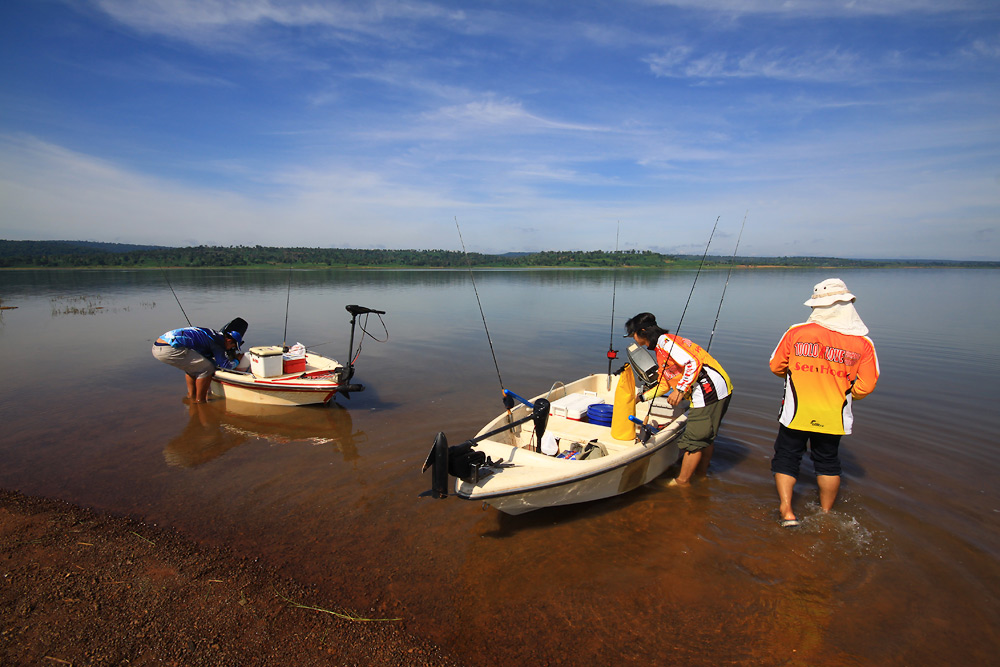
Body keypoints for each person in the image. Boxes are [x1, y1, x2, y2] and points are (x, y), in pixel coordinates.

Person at [768, 278, 879, 527]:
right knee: (828, 462)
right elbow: (867, 385)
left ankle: (786, 510)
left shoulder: (796, 333)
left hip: (796, 410)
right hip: (834, 413)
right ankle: (826, 514)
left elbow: (776, 365)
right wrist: (848, 394)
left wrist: (797, 374)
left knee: (787, 456)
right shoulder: (863, 343)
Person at [624, 312, 733, 486]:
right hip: (718, 389)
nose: (634, 339)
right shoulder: (661, 348)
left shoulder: (666, 343)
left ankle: (682, 482)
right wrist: (642, 397)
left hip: (708, 390)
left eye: (633, 335)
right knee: (706, 436)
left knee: (694, 440)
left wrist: (680, 389)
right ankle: (702, 475)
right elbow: (665, 384)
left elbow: (693, 363)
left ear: (642, 332)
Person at [152, 324, 246, 403]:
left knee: (195, 366)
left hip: (158, 346)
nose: (230, 349)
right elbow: (226, 366)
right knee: (207, 369)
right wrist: (237, 359)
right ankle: (200, 401)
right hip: (169, 349)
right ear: (229, 341)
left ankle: (191, 396)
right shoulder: (218, 343)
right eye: (233, 346)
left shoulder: (214, 335)